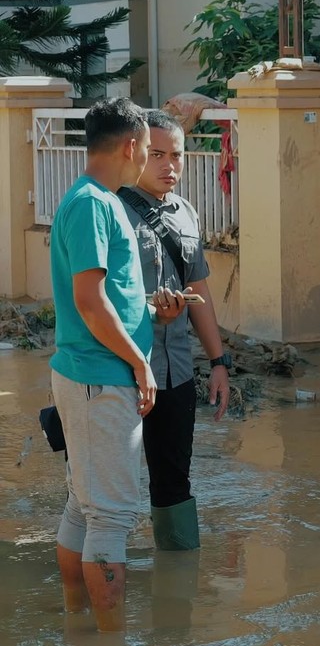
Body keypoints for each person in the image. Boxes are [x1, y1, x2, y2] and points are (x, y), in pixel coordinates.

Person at [49, 98, 168, 632]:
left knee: (83, 506)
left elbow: (107, 299)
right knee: (111, 517)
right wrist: (141, 363)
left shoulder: (94, 199)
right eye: (147, 148)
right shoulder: (95, 204)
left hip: (87, 373)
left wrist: (147, 309)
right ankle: (111, 639)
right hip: (102, 377)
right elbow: (90, 304)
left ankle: (78, 625)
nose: (147, 158)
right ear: (129, 146)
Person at [119, 110, 231, 551]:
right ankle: (104, 581)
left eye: (177, 156)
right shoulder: (110, 210)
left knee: (174, 484)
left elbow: (197, 287)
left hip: (177, 373)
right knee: (108, 489)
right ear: (135, 153)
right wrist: (153, 316)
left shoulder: (185, 212)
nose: (169, 165)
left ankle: (178, 593)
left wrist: (219, 362)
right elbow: (94, 300)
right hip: (121, 373)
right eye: (157, 154)